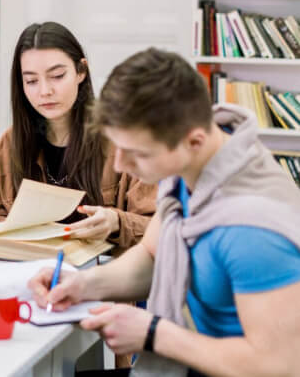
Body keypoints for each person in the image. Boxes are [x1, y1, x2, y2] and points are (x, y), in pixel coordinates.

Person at [29, 48, 300, 377]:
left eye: (137, 154)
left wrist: (153, 333)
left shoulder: (253, 231)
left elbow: (279, 366)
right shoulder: (195, 168)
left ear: (194, 141)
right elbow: (152, 257)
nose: (119, 165)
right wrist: (82, 284)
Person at [0, 22, 156, 253]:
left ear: (81, 71)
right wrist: (13, 231)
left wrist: (116, 222)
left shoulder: (123, 139)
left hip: (103, 277)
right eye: (31, 81)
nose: (45, 91)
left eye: (57, 76)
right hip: (29, 274)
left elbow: (161, 227)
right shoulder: (10, 144)